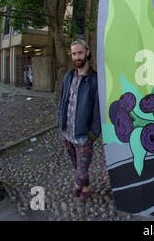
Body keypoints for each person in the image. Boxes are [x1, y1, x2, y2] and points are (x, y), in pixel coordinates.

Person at [57, 39, 101, 202]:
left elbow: (98, 109)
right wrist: (58, 121)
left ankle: (79, 183)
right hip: (66, 132)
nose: (77, 57)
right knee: (76, 166)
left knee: (82, 170)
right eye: (74, 54)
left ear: (87, 52)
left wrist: (93, 132)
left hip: (83, 135)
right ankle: (86, 187)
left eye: (80, 53)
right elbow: (62, 102)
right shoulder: (68, 76)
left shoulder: (95, 79)